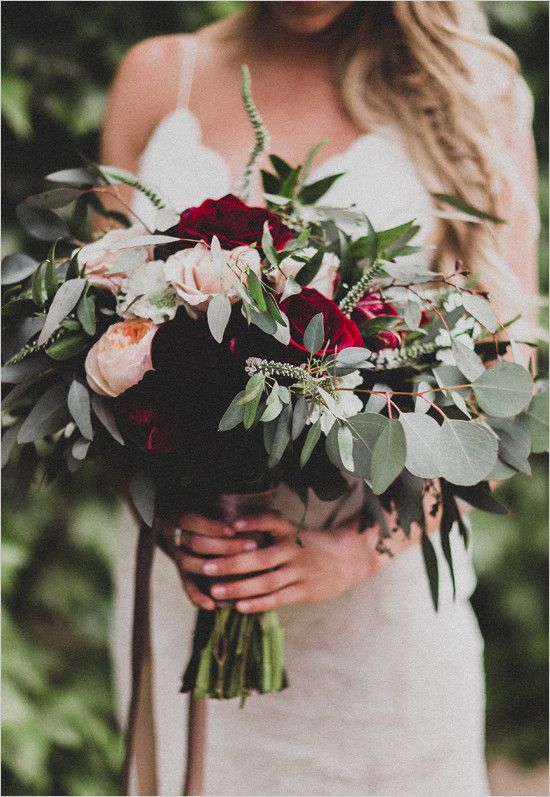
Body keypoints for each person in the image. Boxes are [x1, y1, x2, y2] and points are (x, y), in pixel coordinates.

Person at [101, 2, 539, 795]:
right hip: (183, 601)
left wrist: (355, 551)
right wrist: (168, 517)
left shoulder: (471, 94)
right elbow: (100, 345)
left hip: (378, 641)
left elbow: (503, 402)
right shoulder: (155, 77)